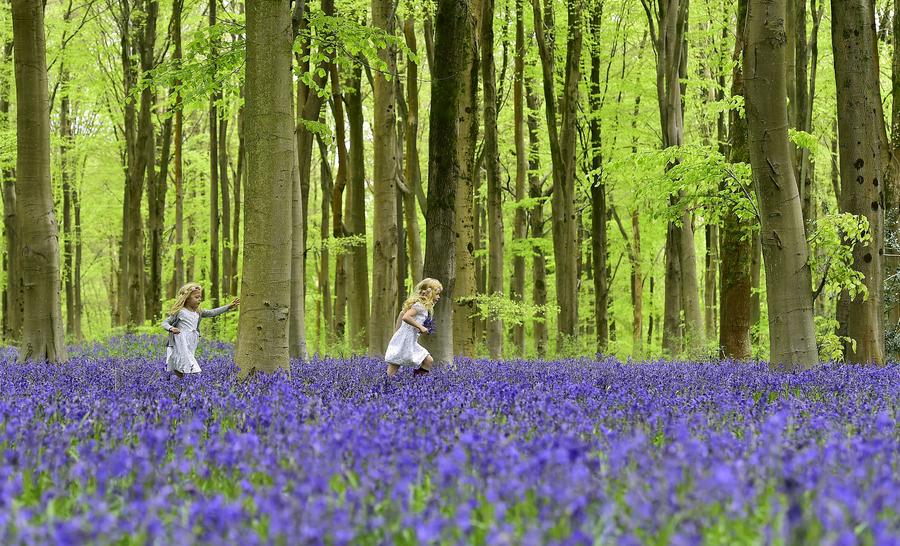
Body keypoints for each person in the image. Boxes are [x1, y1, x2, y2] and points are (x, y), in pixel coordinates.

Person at [162, 282, 239, 377]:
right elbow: (165, 323)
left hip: (192, 341)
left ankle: (180, 384)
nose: (199, 300)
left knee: (182, 363)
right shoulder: (180, 312)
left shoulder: (198, 312)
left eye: (200, 297)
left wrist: (228, 307)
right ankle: (196, 377)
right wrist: (171, 328)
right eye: (196, 297)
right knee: (190, 364)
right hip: (180, 341)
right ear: (187, 299)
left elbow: (212, 313)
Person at [384, 278, 442, 377]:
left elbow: (402, 314)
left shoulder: (422, 307)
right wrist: (421, 327)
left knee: (428, 360)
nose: (439, 297)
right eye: (437, 294)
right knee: (393, 368)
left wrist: (396, 333)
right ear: (429, 293)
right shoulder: (420, 306)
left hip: (408, 340)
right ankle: (385, 387)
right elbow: (406, 317)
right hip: (405, 340)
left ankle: (417, 384)